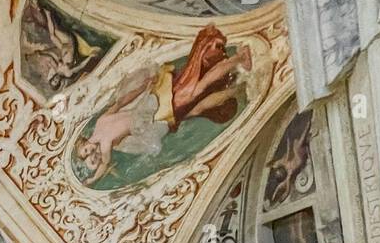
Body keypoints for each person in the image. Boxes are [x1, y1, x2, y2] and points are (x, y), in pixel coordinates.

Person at [74, 26, 252, 185]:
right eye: (90, 157)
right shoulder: (103, 136)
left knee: (197, 89)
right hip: (156, 109)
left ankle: (238, 64)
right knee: (196, 91)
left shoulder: (103, 134)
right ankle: (237, 74)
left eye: (87, 150)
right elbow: (121, 105)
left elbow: (122, 102)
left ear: (84, 142)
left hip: (156, 106)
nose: (92, 152)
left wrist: (92, 179)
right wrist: (93, 178)